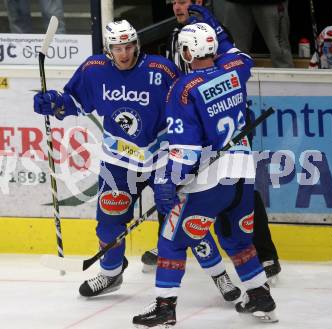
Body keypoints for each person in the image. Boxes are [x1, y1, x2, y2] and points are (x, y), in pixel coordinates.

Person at [33, 20, 239, 301]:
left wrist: (197, 146)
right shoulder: (94, 70)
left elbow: (186, 104)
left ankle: (219, 274)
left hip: (163, 159)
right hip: (119, 158)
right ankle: (110, 273)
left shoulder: (161, 69)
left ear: (137, 45)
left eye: (129, 46)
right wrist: (54, 102)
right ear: (108, 49)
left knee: (185, 220)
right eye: (117, 48)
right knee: (109, 220)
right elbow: (74, 100)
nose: (124, 54)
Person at [133, 23, 278, 327]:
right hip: (243, 175)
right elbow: (243, 58)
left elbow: (184, 147)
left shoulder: (183, 88)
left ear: (187, 51)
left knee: (171, 240)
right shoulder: (234, 72)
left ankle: (164, 308)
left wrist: (168, 181)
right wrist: (221, 34)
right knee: (237, 240)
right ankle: (260, 296)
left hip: (210, 179)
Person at [213, 0, 294, 68]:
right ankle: (236, 83)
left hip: (271, 3)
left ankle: (289, 85)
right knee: (234, 50)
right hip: (236, 3)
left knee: (278, 50)